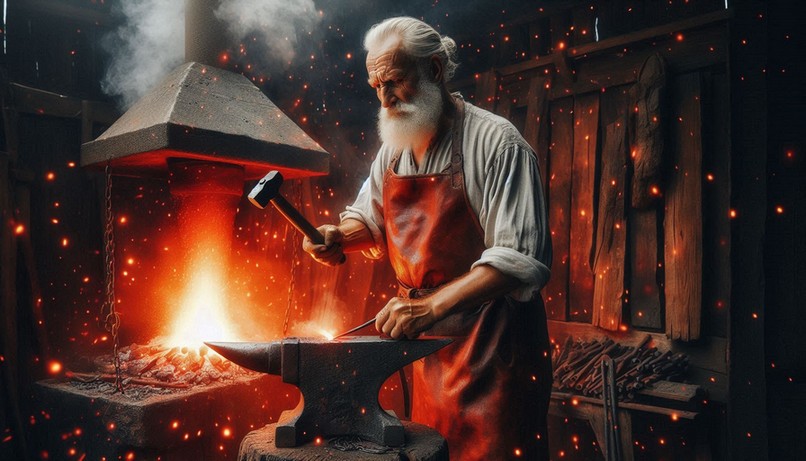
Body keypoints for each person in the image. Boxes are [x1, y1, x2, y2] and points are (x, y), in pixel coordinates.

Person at [303, 16, 552, 460]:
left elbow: (518, 259)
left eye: (395, 81)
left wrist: (427, 307)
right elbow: (371, 217)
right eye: (375, 85)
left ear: (434, 70)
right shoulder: (395, 148)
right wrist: (339, 236)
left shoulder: (497, 145)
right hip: (428, 353)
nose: (384, 97)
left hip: (495, 352)